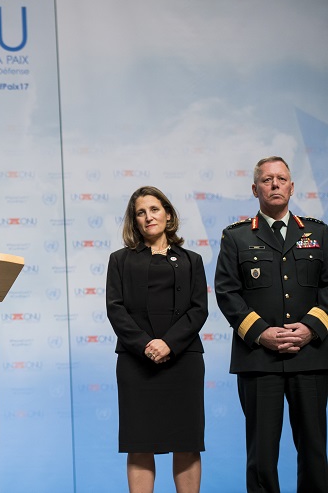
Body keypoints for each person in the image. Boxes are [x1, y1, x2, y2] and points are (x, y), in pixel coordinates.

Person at [215, 156, 328, 493]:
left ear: (292, 187)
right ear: (255, 189)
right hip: (258, 360)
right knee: (261, 456)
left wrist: (311, 327)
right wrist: (260, 333)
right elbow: (227, 292)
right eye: (267, 180)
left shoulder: (318, 232)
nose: (275, 184)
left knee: (314, 452)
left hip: (310, 358)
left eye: (281, 179)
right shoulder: (236, 237)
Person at [106, 186, 207, 493]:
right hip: (136, 362)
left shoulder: (192, 260)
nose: (148, 217)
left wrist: (169, 344)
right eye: (140, 212)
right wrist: (146, 345)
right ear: (134, 221)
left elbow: (198, 309)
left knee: (186, 442)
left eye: (154, 209)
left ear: (168, 215)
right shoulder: (120, 260)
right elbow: (115, 309)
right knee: (139, 443)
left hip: (184, 360)